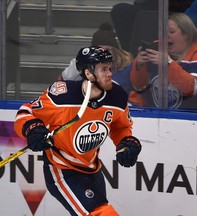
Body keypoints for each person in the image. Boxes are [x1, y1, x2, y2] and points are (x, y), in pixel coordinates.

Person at [14, 46, 142, 215]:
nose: (110, 73)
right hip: (62, 170)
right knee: (101, 212)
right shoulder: (62, 96)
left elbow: (121, 126)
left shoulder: (117, 96)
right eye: (103, 69)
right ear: (88, 73)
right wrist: (32, 129)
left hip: (93, 169)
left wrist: (125, 141)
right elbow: (26, 112)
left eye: (110, 68)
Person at [130, 12, 197, 110]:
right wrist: (139, 65)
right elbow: (140, 87)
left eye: (171, 32)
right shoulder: (156, 49)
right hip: (158, 117)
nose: (165, 36)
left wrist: (167, 63)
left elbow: (193, 88)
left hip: (194, 120)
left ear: (186, 34)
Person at [60, 23, 134, 95]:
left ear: (115, 51)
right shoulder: (85, 65)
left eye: (107, 50)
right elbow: (64, 82)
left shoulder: (128, 66)